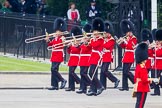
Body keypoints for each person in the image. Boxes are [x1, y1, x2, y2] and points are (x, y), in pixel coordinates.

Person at [45, 18, 67, 90]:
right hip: (54, 54)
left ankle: (62, 80)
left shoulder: (62, 38)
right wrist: (48, 40)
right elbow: (50, 45)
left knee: (54, 69)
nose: (57, 33)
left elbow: (64, 44)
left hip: (59, 54)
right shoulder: (55, 39)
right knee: (53, 70)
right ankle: (54, 85)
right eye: (56, 31)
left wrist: (63, 40)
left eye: (59, 31)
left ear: (61, 32)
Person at [86, 17, 105, 96]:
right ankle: (93, 89)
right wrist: (85, 42)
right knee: (93, 73)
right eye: (94, 31)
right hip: (93, 56)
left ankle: (100, 86)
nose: (95, 32)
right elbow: (89, 47)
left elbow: (95, 45)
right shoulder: (94, 39)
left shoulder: (100, 39)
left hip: (97, 56)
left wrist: (91, 40)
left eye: (96, 31)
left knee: (91, 73)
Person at [118, 19, 137, 91]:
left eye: (128, 32)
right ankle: (125, 86)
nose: (127, 34)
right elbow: (124, 47)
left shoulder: (134, 38)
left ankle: (135, 81)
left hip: (130, 56)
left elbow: (131, 46)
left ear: (131, 32)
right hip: (126, 56)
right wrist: (121, 43)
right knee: (124, 72)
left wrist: (125, 41)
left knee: (127, 71)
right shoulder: (127, 38)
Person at [100, 21, 120, 89]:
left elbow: (106, 46)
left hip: (108, 56)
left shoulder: (111, 40)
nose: (104, 34)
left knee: (104, 70)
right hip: (103, 56)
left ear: (109, 33)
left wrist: (102, 40)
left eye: (106, 33)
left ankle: (115, 80)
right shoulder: (104, 39)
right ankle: (102, 85)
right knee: (102, 71)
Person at [134, 42, 153, 108]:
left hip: (139, 87)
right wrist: (151, 80)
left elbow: (135, 78)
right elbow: (145, 79)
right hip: (143, 88)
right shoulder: (142, 67)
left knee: (138, 103)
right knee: (141, 104)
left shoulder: (138, 66)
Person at [76, 24, 92, 94]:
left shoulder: (90, 41)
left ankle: (91, 84)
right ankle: (83, 88)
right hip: (82, 58)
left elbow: (86, 49)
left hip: (87, 58)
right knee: (81, 73)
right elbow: (80, 48)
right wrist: (78, 44)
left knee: (84, 73)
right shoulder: (85, 40)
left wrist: (84, 42)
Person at [65, 26, 82, 91]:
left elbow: (76, 51)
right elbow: (69, 52)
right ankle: (71, 87)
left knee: (72, 72)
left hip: (76, 58)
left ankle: (79, 81)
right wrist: (69, 47)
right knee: (70, 72)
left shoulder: (79, 44)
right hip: (71, 58)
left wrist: (74, 45)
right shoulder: (73, 43)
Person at [151, 29, 162, 96]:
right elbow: (152, 54)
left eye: (158, 41)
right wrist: (152, 48)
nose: (157, 42)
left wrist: (158, 48)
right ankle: (156, 91)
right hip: (156, 63)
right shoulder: (156, 47)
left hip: (160, 63)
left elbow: (159, 54)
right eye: (157, 40)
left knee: (158, 78)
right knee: (154, 77)